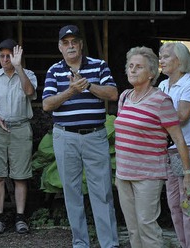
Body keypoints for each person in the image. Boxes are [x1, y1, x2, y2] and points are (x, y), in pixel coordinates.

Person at [42, 25, 119, 248]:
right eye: (65, 43)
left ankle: (109, 244)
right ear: (60, 47)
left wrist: (88, 85)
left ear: (81, 44)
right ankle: (80, 243)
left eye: (74, 41)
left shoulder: (99, 66)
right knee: (71, 192)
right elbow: (47, 104)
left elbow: (113, 93)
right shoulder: (53, 71)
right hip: (65, 137)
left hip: (95, 135)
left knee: (102, 192)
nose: (71, 46)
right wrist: (71, 91)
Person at [114, 46, 190, 248]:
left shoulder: (161, 101)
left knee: (147, 228)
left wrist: (187, 175)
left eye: (139, 67)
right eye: (130, 66)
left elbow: (178, 139)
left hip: (148, 174)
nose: (132, 70)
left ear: (151, 73)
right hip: (123, 174)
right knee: (133, 229)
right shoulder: (124, 97)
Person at [0, 38, 37, 234]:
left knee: (20, 176)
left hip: (21, 128)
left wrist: (19, 68)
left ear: (17, 56)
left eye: (9, 56)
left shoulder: (28, 75)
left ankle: (20, 218)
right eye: (2, 56)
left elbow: (29, 92)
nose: (5, 60)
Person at [158, 42, 190, 248]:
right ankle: (183, 244)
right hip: (169, 149)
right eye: (160, 56)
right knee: (174, 204)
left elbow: (181, 117)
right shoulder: (162, 85)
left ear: (180, 60)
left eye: (166, 56)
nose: (161, 60)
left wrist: (155, 116)